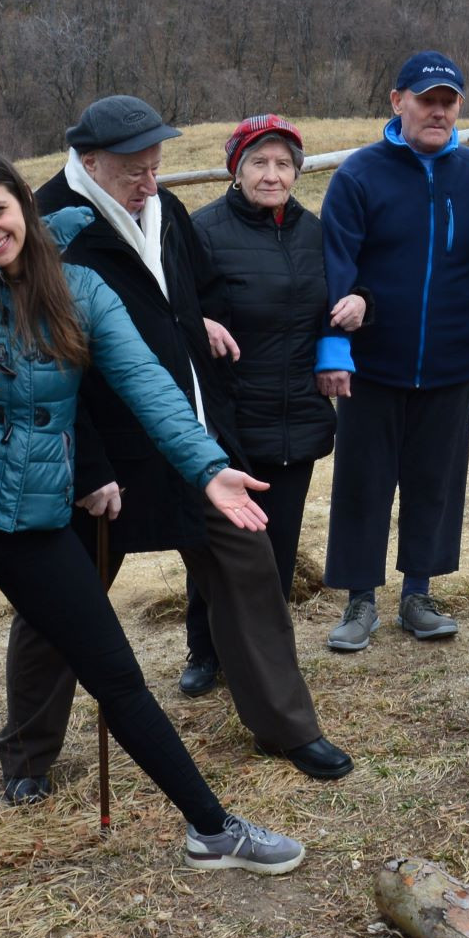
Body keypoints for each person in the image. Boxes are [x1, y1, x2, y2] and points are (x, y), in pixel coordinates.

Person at [0, 149, 304, 915]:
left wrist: (206, 467)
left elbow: (149, 384)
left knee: (117, 676)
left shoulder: (79, 289)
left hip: (41, 518)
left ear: (24, 208)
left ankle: (210, 829)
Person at [1, 97, 352, 787]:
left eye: (156, 166)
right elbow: (36, 366)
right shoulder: (48, 230)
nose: (149, 182)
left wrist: (210, 324)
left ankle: (288, 728)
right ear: (89, 161)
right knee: (57, 605)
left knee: (249, 569)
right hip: (98, 460)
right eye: (134, 170)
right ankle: (27, 756)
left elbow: (198, 289)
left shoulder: (165, 214)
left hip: (193, 442)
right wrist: (87, 469)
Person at [318, 51, 469, 651]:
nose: (437, 111)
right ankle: (360, 600)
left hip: (450, 361)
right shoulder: (359, 175)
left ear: (459, 106)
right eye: (426, 99)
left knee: (435, 482)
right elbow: (335, 269)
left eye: (448, 101)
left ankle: (418, 593)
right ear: (397, 101)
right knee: (364, 481)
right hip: (372, 365)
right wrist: (333, 349)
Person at [187, 115, 337, 643]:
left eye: (282, 164)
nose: (271, 175)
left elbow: (340, 304)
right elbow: (167, 308)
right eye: (258, 162)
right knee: (221, 545)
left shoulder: (316, 233)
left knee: (277, 545)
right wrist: (196, 322)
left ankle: (269, 654)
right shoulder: (201, 232)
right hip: (232, 420)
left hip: (297, 414)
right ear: (236, 169)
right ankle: (204, 649)